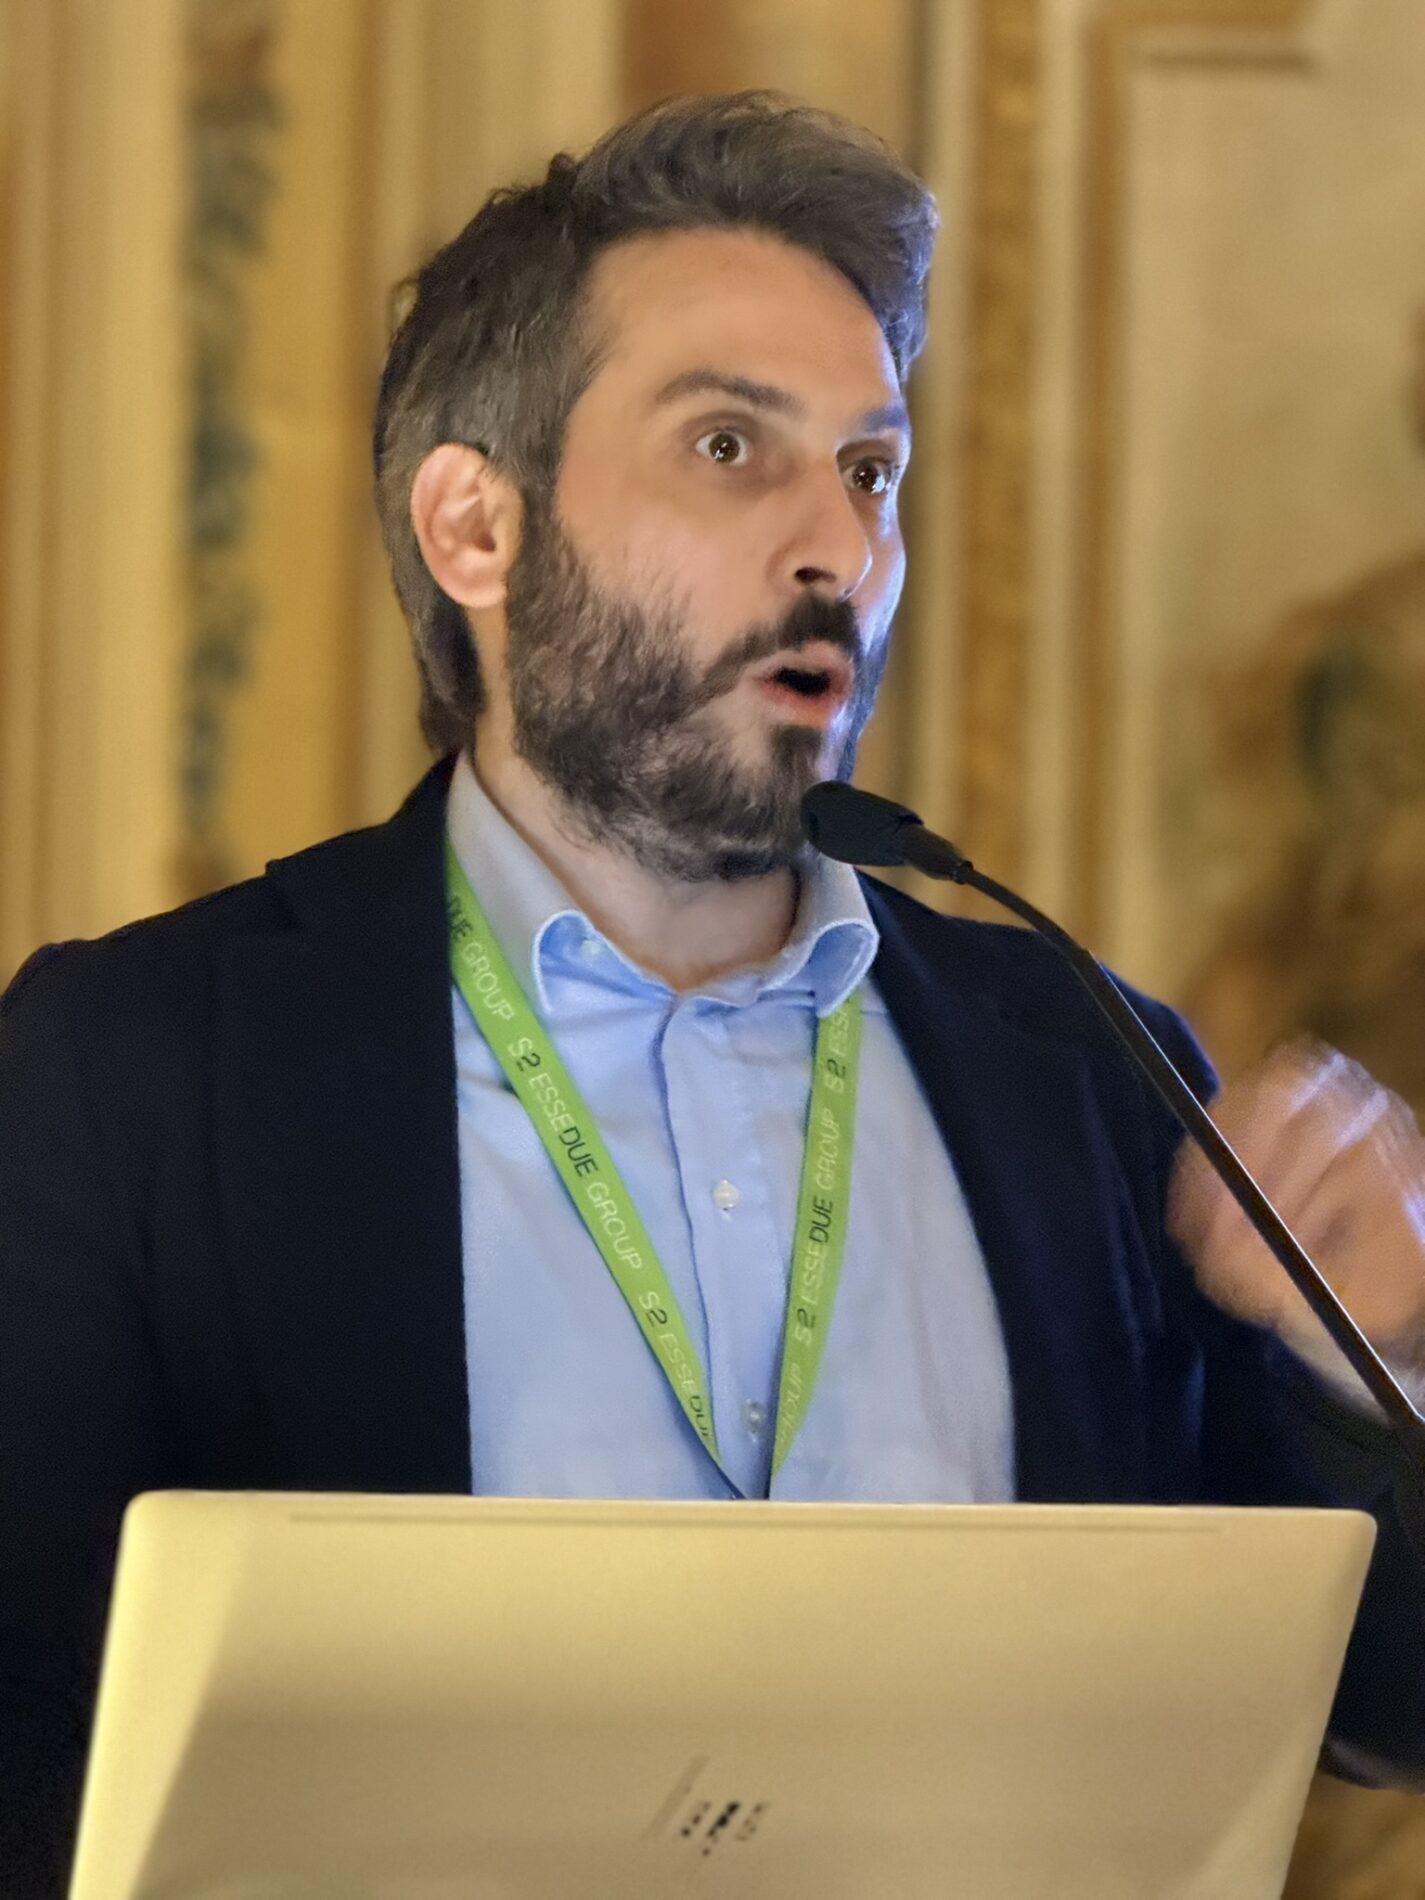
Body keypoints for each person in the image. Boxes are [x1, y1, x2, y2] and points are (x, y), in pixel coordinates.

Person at [2, 91, 1423, 1899]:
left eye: (870, 470)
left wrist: (1371, 1362)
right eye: (731, 447)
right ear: (476, 527)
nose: (838, 545)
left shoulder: (1083, 1069)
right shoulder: (134, 1072)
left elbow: (1381, 1710)